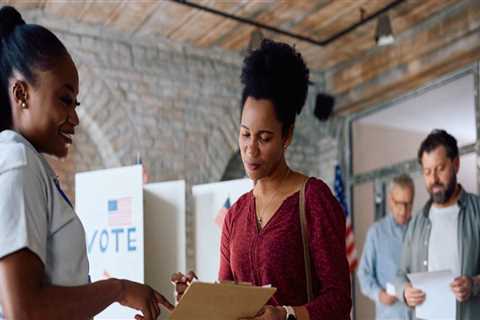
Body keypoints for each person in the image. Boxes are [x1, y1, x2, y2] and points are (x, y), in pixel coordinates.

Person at [0, 6, 173, 320]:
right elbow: (24, 311)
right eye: (65, 99)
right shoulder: (17, 161)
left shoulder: (29, 164)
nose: (75, 117)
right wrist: (117, 289)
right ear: (21, 93)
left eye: (76, 103)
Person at [172, 39, 352, 320]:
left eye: (264, 138)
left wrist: (287, 315)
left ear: (287, 135)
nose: (250, 149)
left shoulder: (313, 199)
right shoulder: (235, 215)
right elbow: (229, 294)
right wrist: (198, 296)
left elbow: (339, 299)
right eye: (245, 134)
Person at [397, 129, 480, 320]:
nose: (433, 179)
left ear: (456, 164)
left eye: (440, 169)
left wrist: (474, 284)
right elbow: (400, 273)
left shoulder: (477, 212)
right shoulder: (416, 222)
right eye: (427, 172)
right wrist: (405, 291)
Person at [358, 174, 414, 319]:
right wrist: (379, 295)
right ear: (390, 201)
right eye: (399, 203)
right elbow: (363, 274)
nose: (403, 210)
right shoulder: (376, 233)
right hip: (390, 315)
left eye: (408, 204)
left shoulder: (419, 229)